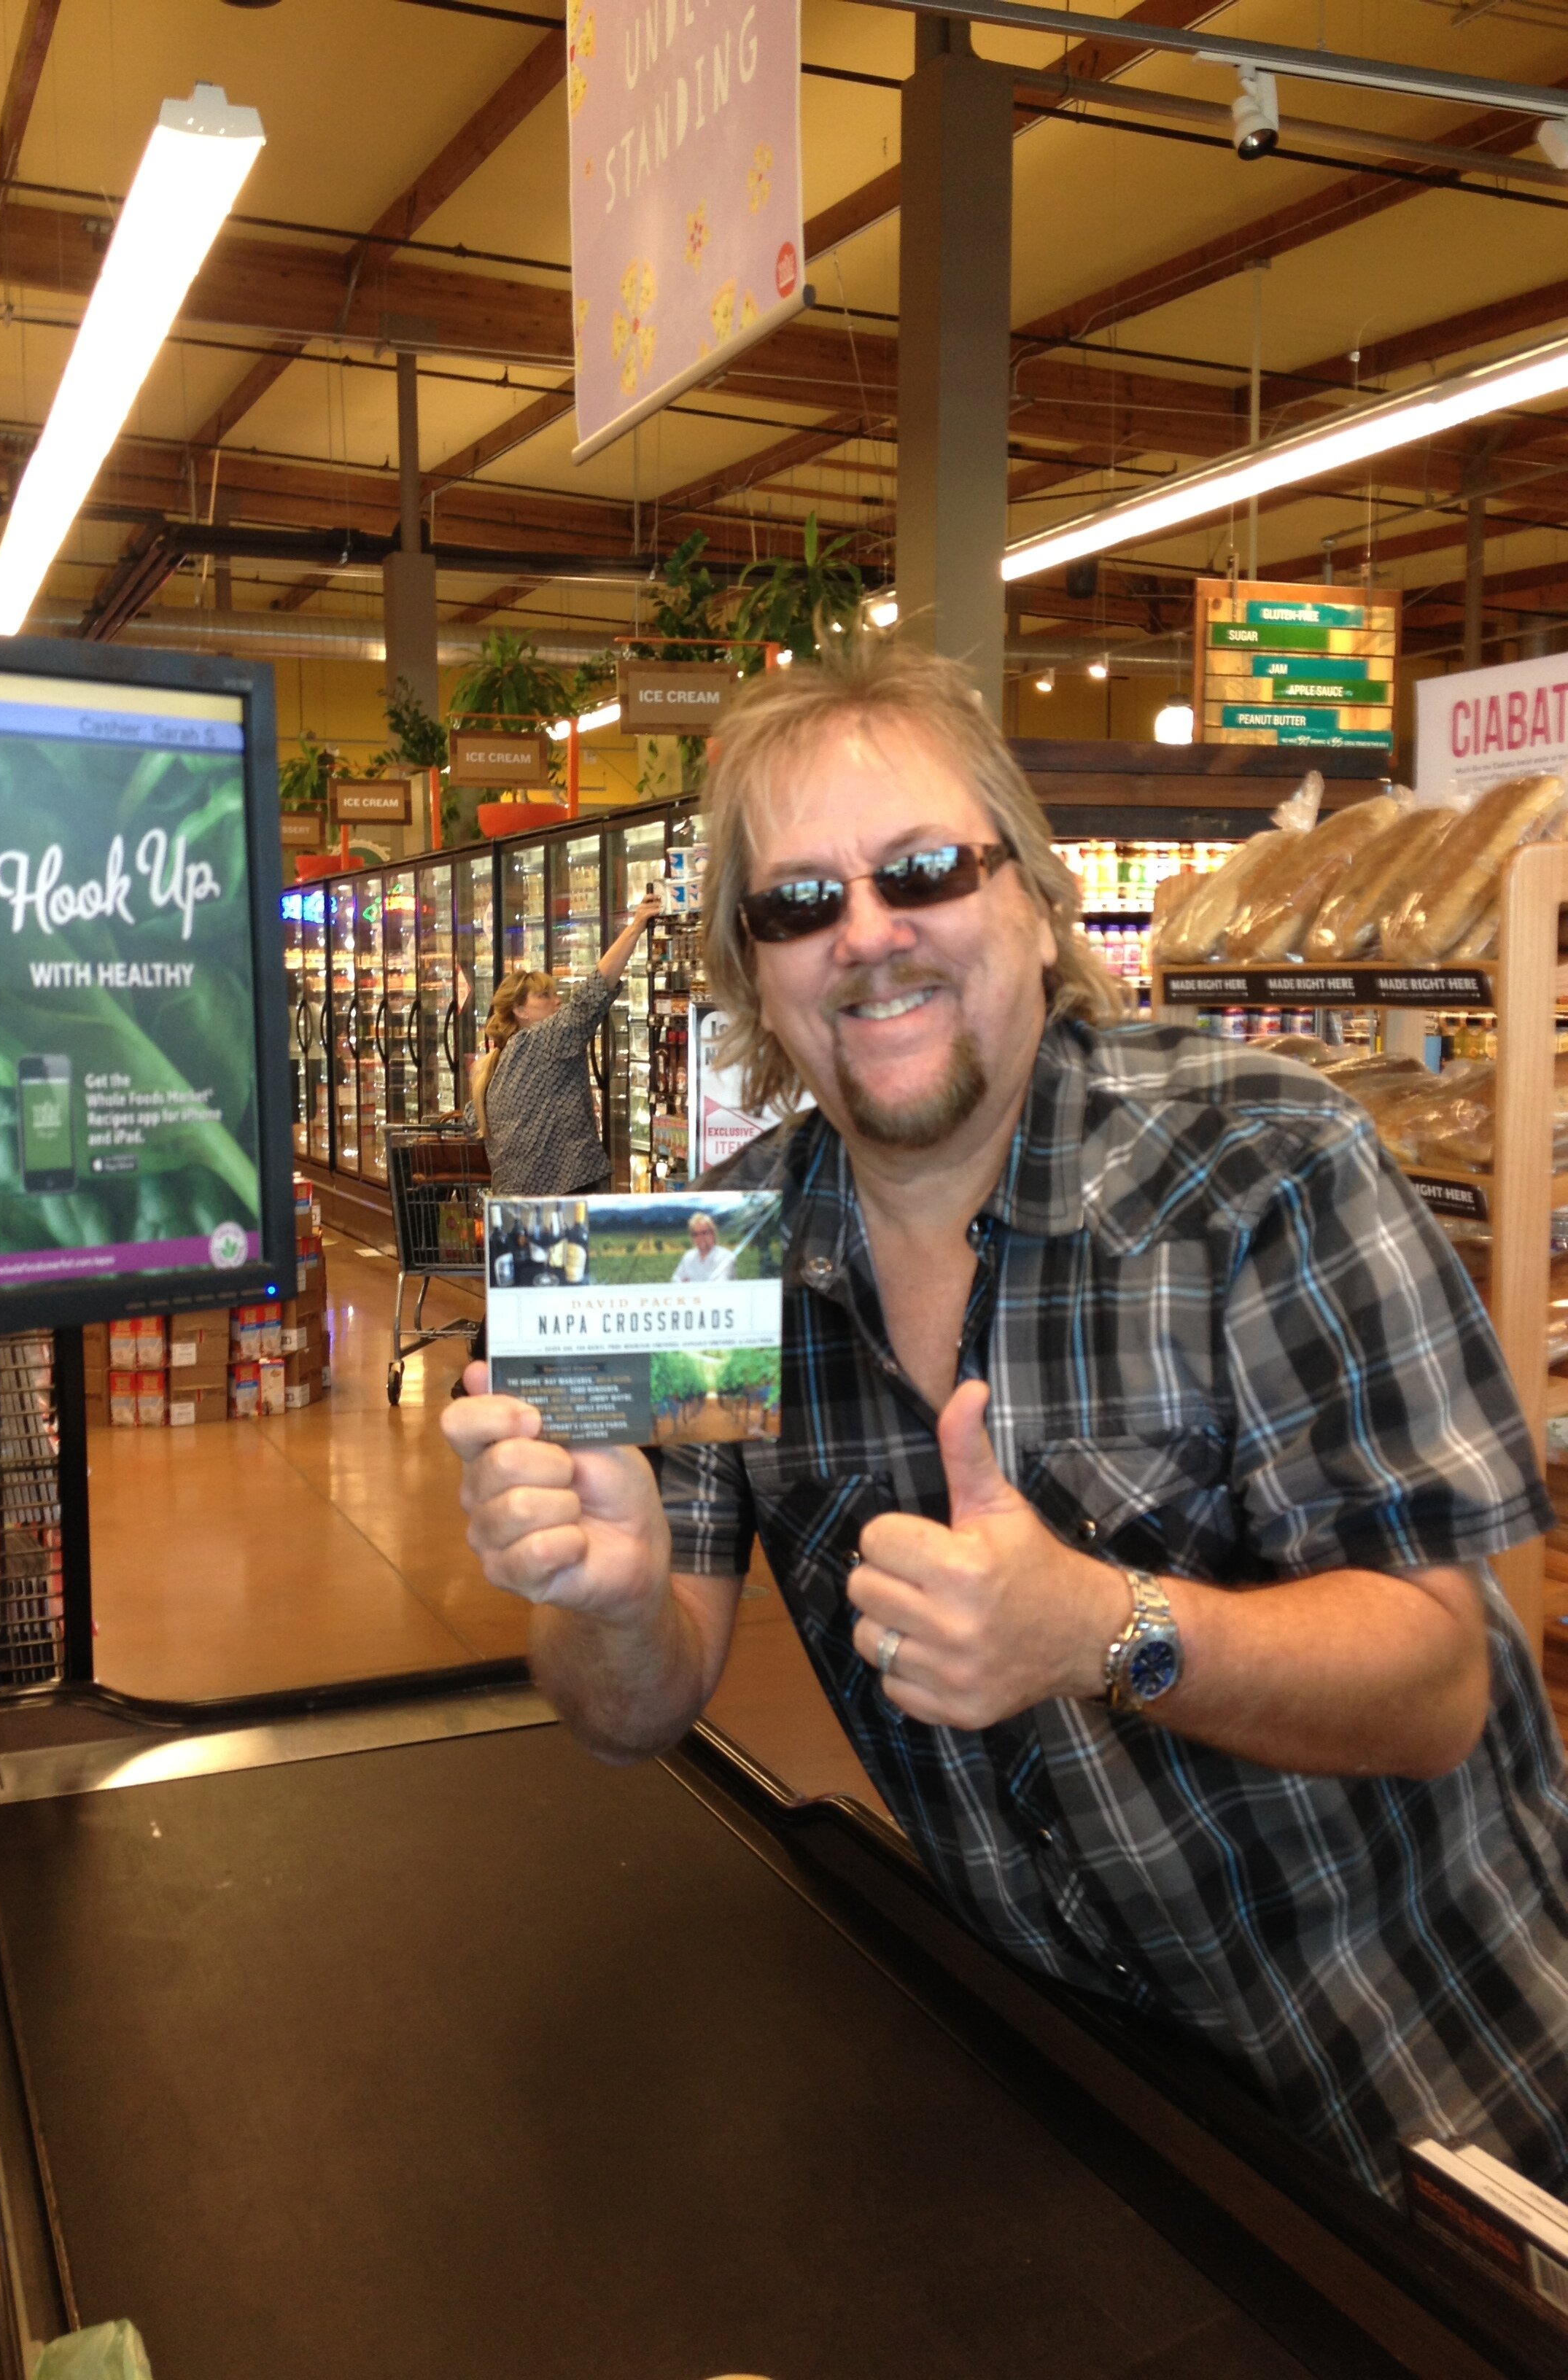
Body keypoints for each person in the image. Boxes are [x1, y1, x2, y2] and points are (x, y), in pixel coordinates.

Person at [446, 634, 1568, 2209]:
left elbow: (1446, 1681)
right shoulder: (699, 1257)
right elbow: (628, 1711)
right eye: (800, 902)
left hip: (1446, 2117)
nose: (868, 937)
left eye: (922, 871)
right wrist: (613, 1600)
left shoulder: (1268, 1157)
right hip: (1087, 2124)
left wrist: (1104, 1629)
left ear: (1034, 906)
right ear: (753, 970)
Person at [470, 886, 662, 1200]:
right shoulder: (540, 1040)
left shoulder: (498, 1062)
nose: (556, 1001)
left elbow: (472, 1121)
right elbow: (592, 995)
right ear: (519, 1011)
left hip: (515, 1198)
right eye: (544, 995)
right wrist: (636, 926)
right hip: (565, 1192)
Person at [670, 1211, 734, 1284]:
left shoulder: (726, 1257)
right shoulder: (688, 1257)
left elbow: (719, 1285)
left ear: (713, 1233)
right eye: (695, 1234)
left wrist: (689, 1284)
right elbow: (676, 1281)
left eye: (704, 1233)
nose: (700, 1237)